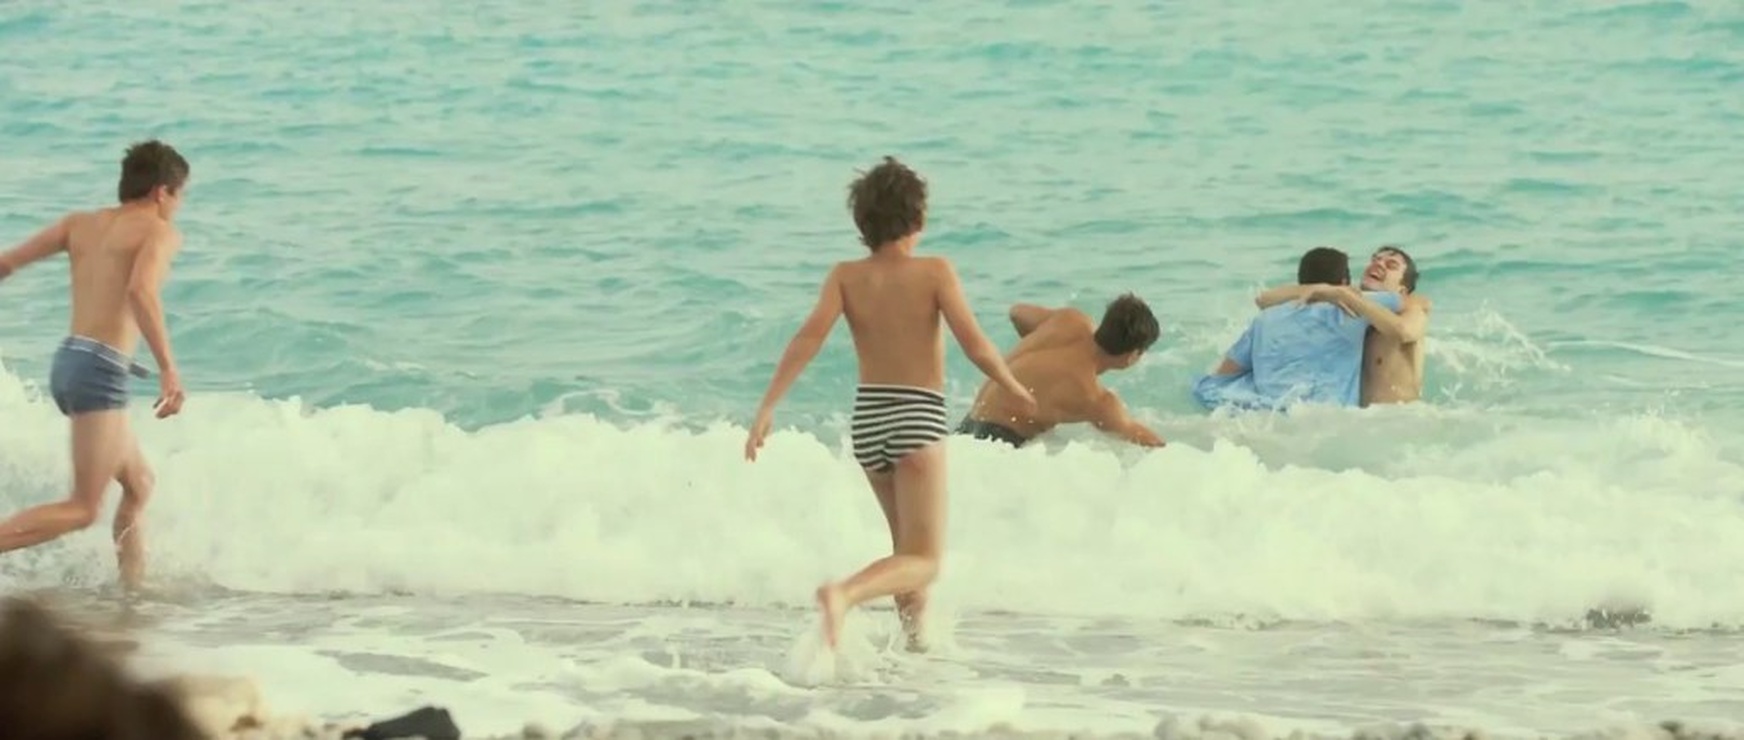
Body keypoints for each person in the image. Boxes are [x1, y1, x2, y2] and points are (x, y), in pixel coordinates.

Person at [742, 156, 1036, 652]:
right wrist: (1013, 384)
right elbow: (975, 344)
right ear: (918, 216)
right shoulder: (935, 271)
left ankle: (915, 652)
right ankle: (844, 594)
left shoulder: (844, 276)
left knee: (905, 554)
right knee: (926, 562)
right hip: (917, 419)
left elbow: (807, 339)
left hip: (869, 423)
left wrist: (768, 406)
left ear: (863, 223)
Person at [0, 140, 190, 591]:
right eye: (180, 196)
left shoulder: (79, 224)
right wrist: (168, 368)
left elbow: (6, 263)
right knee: (83, 508)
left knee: (139, 483)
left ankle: (132, 595)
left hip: (69, 362)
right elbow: (141, 292)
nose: (178, 207)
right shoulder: (158, 231)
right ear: (162, 192)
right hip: (99, 371)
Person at [1191, 246, 1403, 411]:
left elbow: (1222, 377)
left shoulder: (1265, 320)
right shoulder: (1355, 310)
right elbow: (1403, 303)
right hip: (1326, 419)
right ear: (1344, 282)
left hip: (1267, 416)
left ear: (1300, 282)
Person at [956, 293, 1166, 448]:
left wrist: (1036, 361)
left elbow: (1017, 312)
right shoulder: (1092, 397)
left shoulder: (1071, 320)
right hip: (998, 443)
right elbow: (1136, 434)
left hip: (966, 427)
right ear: (1132, 355)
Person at [1253, 245, 1430, 405]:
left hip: (1399, 420)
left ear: (1402, 290)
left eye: (1391, 265)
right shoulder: (1349, 308)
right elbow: (1264, 300)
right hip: (1359, 422)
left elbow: (1403, 332)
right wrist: (1324, 290)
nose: (1378, 264)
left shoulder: (1412, 308)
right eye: (1375, 259)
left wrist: (1345, 296)